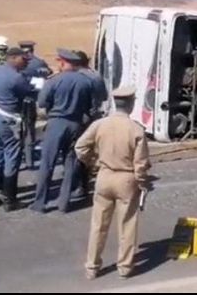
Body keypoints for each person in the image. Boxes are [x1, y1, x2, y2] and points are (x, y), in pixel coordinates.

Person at [75, 85, 151, 280]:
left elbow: (80, 147)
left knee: (98, 224)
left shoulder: (100, 124)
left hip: (104, 175)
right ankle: (125, 267)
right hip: (126, 179)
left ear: (115, 103)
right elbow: (140, 164)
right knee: (127, 224)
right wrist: (143, 183)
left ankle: (92, 267)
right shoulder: (136, 129)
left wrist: (93, 163)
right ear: (132, 104)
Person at [30, 49, 95, 214]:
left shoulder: (54, 81)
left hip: (56, 123)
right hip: (75, 123)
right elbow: (92, 106)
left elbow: (43, 102)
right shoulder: (86, 81)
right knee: (70, 162)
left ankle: (40, 202)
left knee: (47, 163)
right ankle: (64, 203)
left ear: (63, 62)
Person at [0, 47, 33, 211]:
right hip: (9, 119)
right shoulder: (16, 77)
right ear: (13, 58)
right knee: (12, 157)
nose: (26, 62)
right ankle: (10, 198)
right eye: (23, 59)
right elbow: (29, 93)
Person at [72, 50, 109, 201]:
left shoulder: (79, 77)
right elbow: (105, 96)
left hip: (83, 118)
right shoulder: (96, 75)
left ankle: (81, 185)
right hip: (96, 117)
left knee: (80, 150)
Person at [19, 40, 51, 170]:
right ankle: (29, 159)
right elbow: (47, 74)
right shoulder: (39, 63)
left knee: (20, 130)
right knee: (29, 130)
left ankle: (19, 157)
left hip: (19, 100)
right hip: (33, 100)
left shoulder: (18, 63)